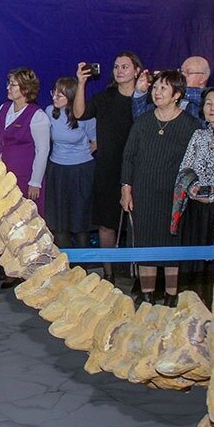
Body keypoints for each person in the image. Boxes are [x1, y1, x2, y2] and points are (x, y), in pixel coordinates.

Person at [120, 70, 200, 306]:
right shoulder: (143, 121)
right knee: (146, 245)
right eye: (155, 87)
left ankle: (171, 297)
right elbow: (128, 157)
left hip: (173, 197)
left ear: (177, 94)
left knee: (171, 247)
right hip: (143, 194)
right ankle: (147, 297)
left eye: (164, 88)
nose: (157, 92)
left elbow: (195, 163)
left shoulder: (190, 124)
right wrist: (126, 189)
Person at [74, 52, 143, 283]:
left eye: (125, 66)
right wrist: (81, 83)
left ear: (136, 70)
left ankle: (140, 275)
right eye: (116, 66)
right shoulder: (104, 98)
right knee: (106, 224)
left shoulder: (146, 100)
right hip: (107, 169)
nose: (119, 70)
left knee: (138, 225)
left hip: (138, 170)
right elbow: (79, 113)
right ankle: (108, 273)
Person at [175, 86, 214, 267]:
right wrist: (192, 189)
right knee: (193, 262)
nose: (212, 108)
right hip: (195, 207)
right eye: (208, 103)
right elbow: (185, 169)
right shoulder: (198, 135)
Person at [44, 76, 97, 250]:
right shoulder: (49, 111)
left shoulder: (86, 116)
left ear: (72, 96)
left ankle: (84, 262)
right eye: (54, 93)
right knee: (59, 222)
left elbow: (96, 141)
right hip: (57, 170)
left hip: (81, 171)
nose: (54, 97)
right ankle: (65, 262)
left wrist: (79, 157)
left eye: (60, 95)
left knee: (80, 222)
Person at [0, 68, 50, 217]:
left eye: (13, 85)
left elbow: (42, 151)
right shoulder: (3, 108)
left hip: (24, 179)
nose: (8, 87)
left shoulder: (38, 116)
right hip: (1, 178)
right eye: (9, 83)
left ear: (25, 88)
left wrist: (35, 182)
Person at [133, 56, 211, 124]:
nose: (182, 75)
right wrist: (140, 92)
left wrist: (171, 86)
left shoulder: (208, 98)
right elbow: (140, 119)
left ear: (203, 78)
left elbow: (201, 97)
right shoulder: (167, 99)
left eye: (188, 72)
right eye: (181, 71)